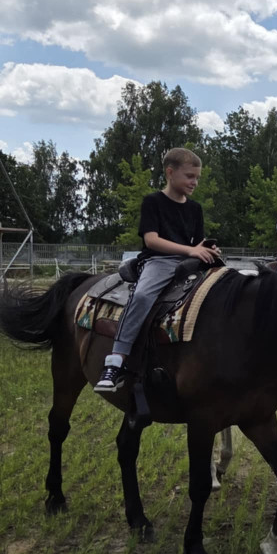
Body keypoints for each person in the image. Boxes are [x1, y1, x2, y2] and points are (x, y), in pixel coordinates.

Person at [94, 148, 221, 393]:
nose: (194, 182)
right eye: (189, 176)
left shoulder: (195, 209)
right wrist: (190, 250)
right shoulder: (153, 202)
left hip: (191, 261)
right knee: (142, 296)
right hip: (160, 260)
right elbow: (151, 240)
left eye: (197, 177)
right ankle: (116, 360)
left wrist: (207, 249)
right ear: (170, 173)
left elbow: (198, 242)